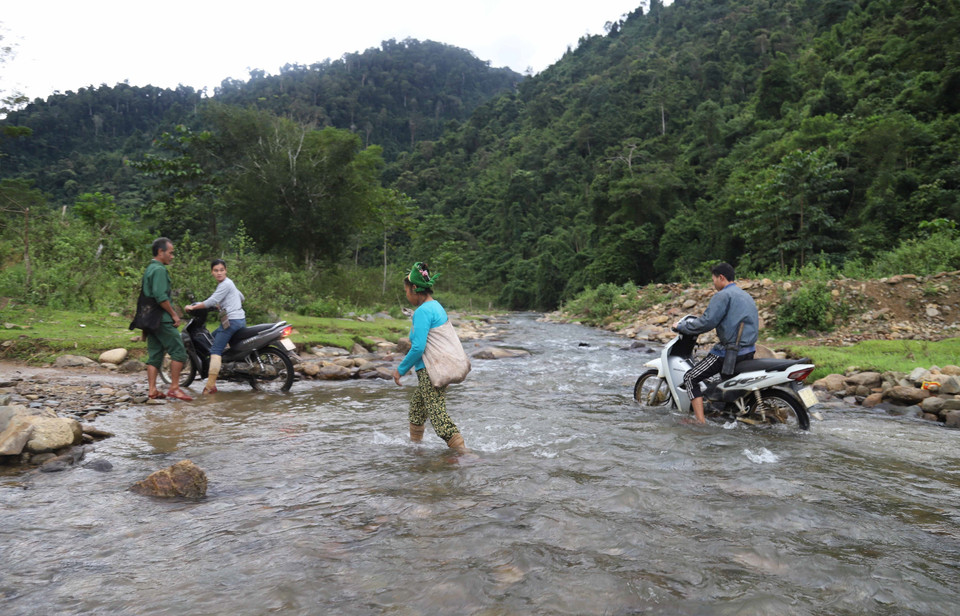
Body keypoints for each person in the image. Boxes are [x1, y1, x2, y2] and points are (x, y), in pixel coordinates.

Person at [391, 262, 467, 451]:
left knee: (438, 417)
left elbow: (418, 348)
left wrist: (400, 370)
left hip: (430, 371)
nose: (406, 295)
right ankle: (416, 450)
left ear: (415, 289)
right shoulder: (436, 306)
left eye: (406, 291)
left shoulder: (422, 311)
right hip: (438, 368)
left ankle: (464, 454)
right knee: (417, 410)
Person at [674, 262, 758, 424]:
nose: (713, 283)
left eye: (713, 279)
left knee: (690, 377)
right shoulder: (745, 295)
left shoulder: (723, 296)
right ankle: (723, 413)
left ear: (721, 278)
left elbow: (707, 322)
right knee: (724, 381)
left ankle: (700, 421)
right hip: (748, 350)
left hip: (729, 352)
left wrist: (682, 326)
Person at [142, 237, 193, 401]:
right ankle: (174, 388)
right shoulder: (159, 270)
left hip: (150, 319)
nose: (172, 256)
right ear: (160, 252)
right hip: (161, 319)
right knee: (179, 352)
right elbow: (161, 296)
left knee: (155, 354)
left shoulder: (150, 268)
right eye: (170, 253)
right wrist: (174, 314)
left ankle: (152, 390)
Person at [185, 259, 246, 394]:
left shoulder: (225, 284)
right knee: (213, 336)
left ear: (226, 270)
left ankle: (210, 386)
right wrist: (223, 303)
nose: (219, 273)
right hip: (239, 319)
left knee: (215, 350)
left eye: (221, 270)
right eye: (216, 270)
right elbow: (242, 298)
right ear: (212, 272)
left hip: (231, 321)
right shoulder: (230, 283)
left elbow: (211, 301)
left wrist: (193, 307)